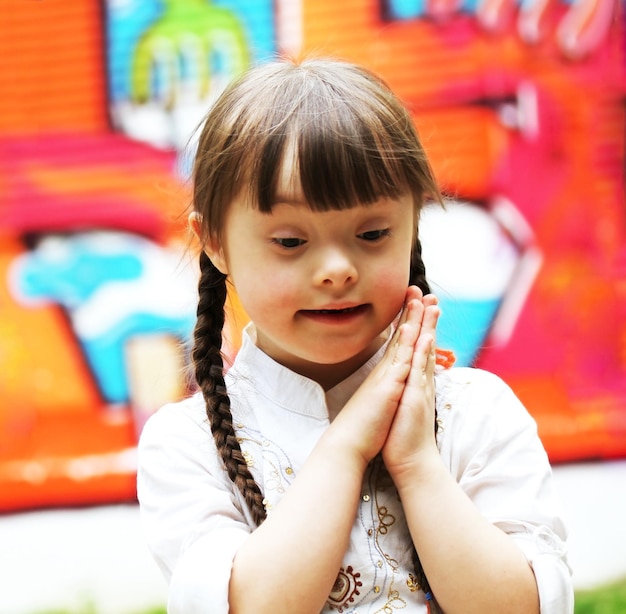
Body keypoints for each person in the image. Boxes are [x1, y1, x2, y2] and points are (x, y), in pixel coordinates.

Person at [137, 57, 573, 614]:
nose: (337, 269)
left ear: (412, 225)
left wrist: (415, 462)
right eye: (291, 241)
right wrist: (348, 445)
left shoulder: (477, 413)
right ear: (214, 242)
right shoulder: (186, 444)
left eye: (371, 233)